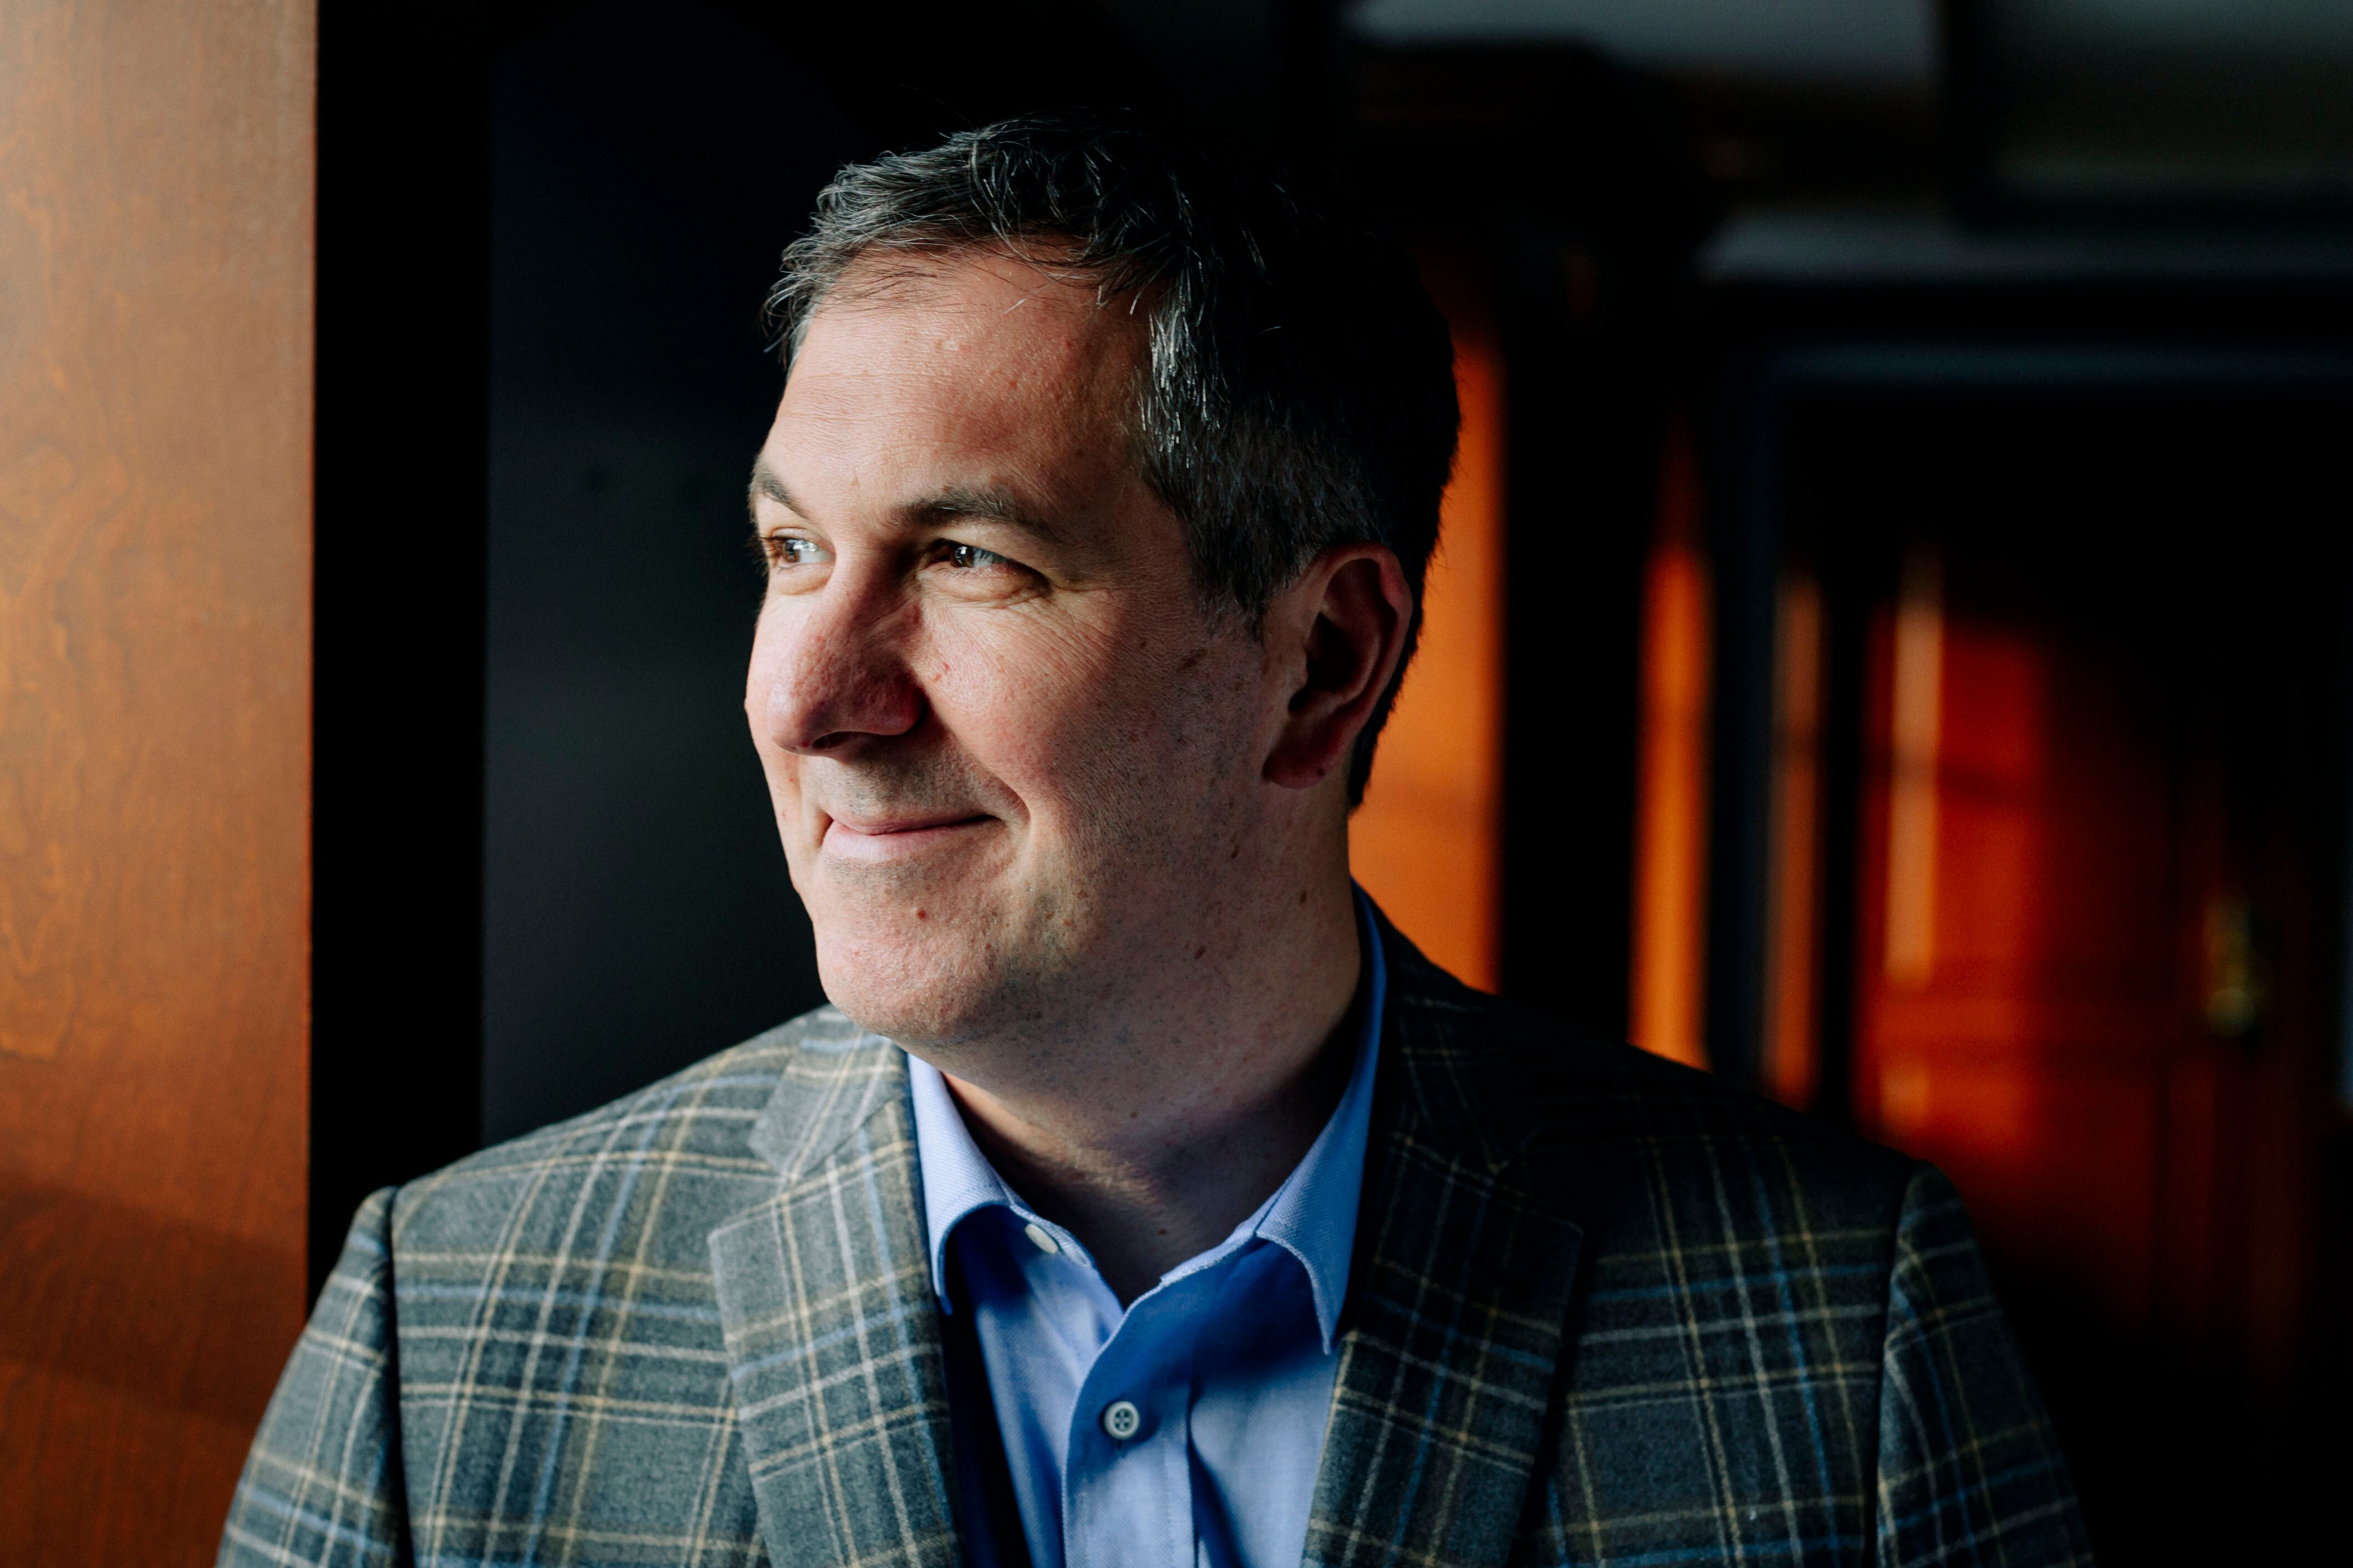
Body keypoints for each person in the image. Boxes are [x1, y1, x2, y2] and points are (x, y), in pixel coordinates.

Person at [221, 114, 2089, 1568]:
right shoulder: (444, 1330)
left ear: (1321, 663)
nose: (808, 697)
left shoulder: (1841, 1326)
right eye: (792, 550)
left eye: (969, 558)